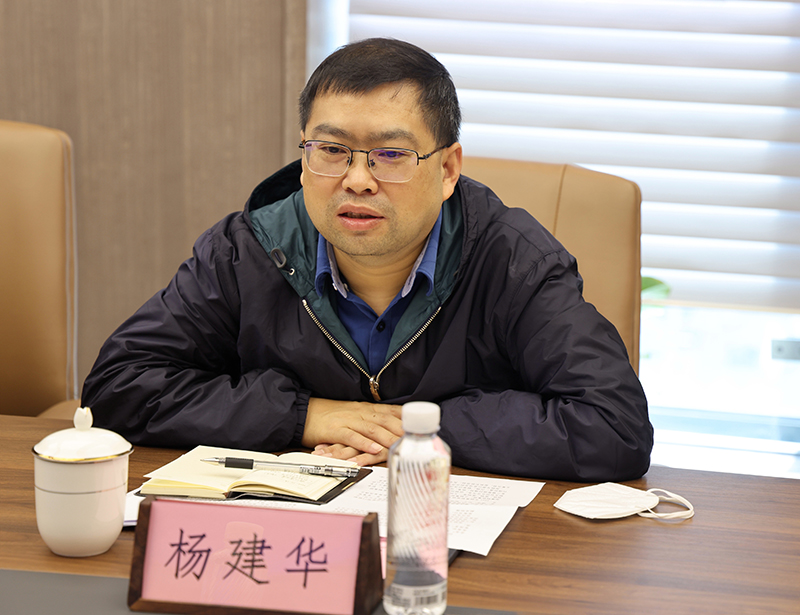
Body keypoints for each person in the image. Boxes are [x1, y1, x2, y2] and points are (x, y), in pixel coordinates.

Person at [83, 38, 652, 482]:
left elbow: (614, 426)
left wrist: (422, 429)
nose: (357, 180)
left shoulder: (512, 261)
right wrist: (305, 415)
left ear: (448, 169)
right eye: (332, 150)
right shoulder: (245, 251)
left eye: (390, 154)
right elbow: (118, 387)